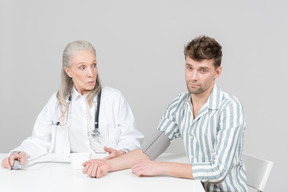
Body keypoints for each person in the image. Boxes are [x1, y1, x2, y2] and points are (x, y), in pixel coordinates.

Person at [82, 36, 248, 192]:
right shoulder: (179, 105)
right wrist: (107, 165)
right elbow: (148, 151)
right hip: (194, 188)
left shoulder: (230, 108)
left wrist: (159, 167)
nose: (193, 77)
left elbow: (217, 171)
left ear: (217, 73)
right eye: (189, 68)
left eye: (202, 70)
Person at [1, 40, 143, 170]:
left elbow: (131, 138)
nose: (91, 73)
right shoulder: (57, 101)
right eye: (82, 67)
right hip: (68, 171)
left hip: (106, 169)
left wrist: (122, 152)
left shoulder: (114, 98)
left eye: (93, 65)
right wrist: (22, 153)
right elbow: (40, 139)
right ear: (68, 71)